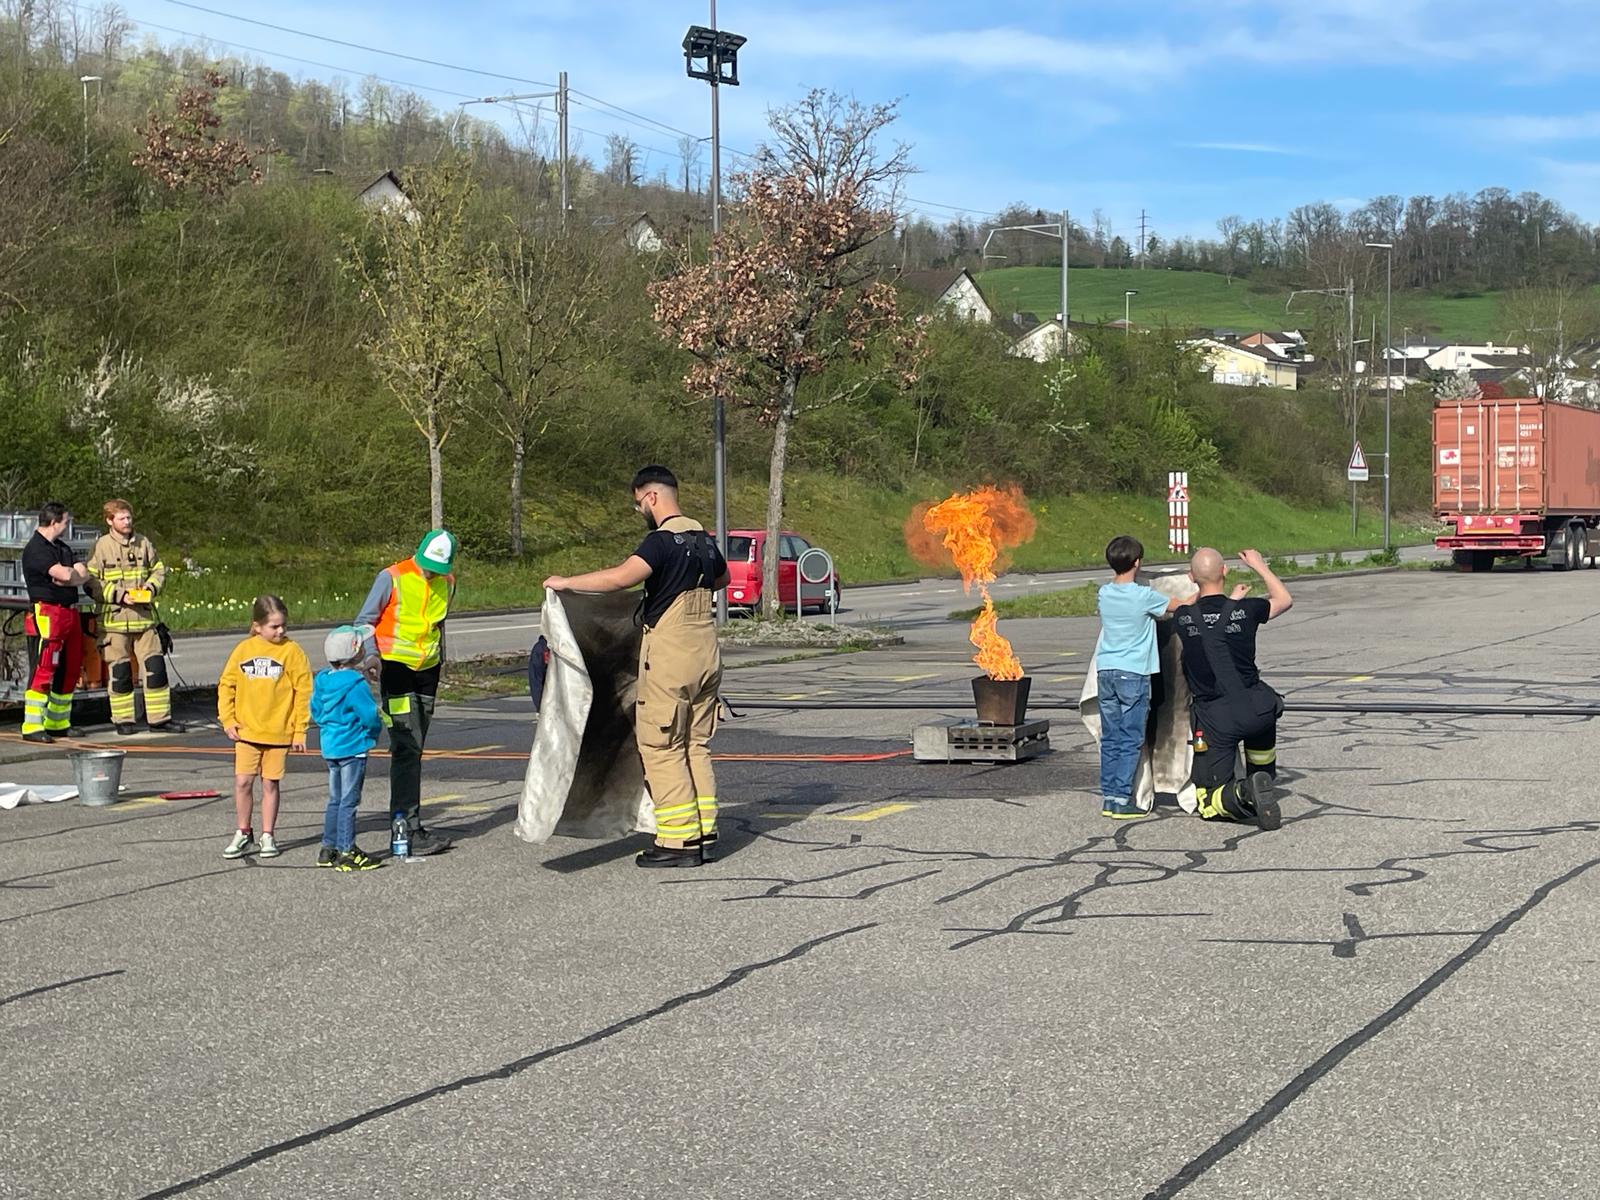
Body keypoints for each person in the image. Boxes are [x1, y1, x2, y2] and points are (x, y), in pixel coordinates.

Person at [544, 465, 729, 869]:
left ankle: (679, 841)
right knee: (694, 743)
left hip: (672, 658)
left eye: (637, 504)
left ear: (650, 497)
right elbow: (721, 580)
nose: (639, 511)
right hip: (706, 656)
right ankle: (705, 831)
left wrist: (566, 582)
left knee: (661, 746)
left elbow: (621, 578)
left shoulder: (660, 543)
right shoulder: (703, 540)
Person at [1173, 547, 1293, 831]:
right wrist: (1259, 566)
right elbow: (1284, 600)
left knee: (1207, 800)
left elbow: (1195, 609)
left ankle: (1244, 793)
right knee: (1260, 751)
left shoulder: (1183, 617)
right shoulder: (1247, 610)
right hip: (1259, 708)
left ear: (1191, 577)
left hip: (1217, 717)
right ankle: (1262, 778)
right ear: (1225, 572)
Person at [355, 529, 458, 857]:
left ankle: (409, 824)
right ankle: (406, 825)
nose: (432, 573)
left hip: (428, 671)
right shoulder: (391, 577)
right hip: (395, 668)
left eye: (437, 569)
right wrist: (370, 655)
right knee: (405, 746)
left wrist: (441, 659)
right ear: (420, 554)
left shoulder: (448, 581)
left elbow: (437, 625)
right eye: (428, 566)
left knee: (416, 747)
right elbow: (364, 620)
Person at [1095, 535, 1194, 820]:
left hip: (1106, 671)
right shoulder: (1143, 596)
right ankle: (1123, 798)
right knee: (1130, 738)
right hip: (1133, 673)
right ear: (1137, 563)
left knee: (1111, 738)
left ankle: (1109, 797)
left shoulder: (1104, 593)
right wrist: (1199, 586)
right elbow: (1181, 605)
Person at [217, 595, 312, 860]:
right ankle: (243, 831)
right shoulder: (244, 649)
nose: (280, 631)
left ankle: (267, 834)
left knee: (270, 784)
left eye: (283, 625)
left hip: (279, 732)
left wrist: (299, 729)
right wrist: (228, 719)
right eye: (273, 626)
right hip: (247, 731)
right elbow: (227, 684)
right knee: (243, 781)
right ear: (257, 626)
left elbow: (304, 691)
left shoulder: (292, 651)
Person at [85, 498, 176, 736]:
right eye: (122, 518)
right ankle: (124, 721)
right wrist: (117, 595)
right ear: (109, 521)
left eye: (129, 517)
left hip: (144, 619)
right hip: (114, 621)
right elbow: (90, 582)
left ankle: (159, 720)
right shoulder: (101, 546)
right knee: (121, 673)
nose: (127, 522)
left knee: (156, 668)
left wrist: (150, 589)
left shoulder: (143, 543)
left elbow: (159, 569)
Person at [310, 624, 385, 871]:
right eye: (362, 645)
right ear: (355, 652)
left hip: (331, 746)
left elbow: (316, 711)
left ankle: (328, 847)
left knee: (335, 799)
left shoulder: (323, 681)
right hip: (353, 747)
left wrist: (329, 725)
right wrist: (374, 732)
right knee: (349, 801)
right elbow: (368, 715)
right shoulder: (355, 684)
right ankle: (347, 850)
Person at [20, 502, 89, 743]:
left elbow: (81, 571)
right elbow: (67, 574)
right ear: (54, 522)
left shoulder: (61, 548)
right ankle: (32, 725)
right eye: (65, 521)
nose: (67, 525)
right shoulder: (36, 550)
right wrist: (71, 575)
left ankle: (58, 722)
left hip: (69, 613)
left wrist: (72, 576)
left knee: (70, 666)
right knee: (45, 666)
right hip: (48, 613)